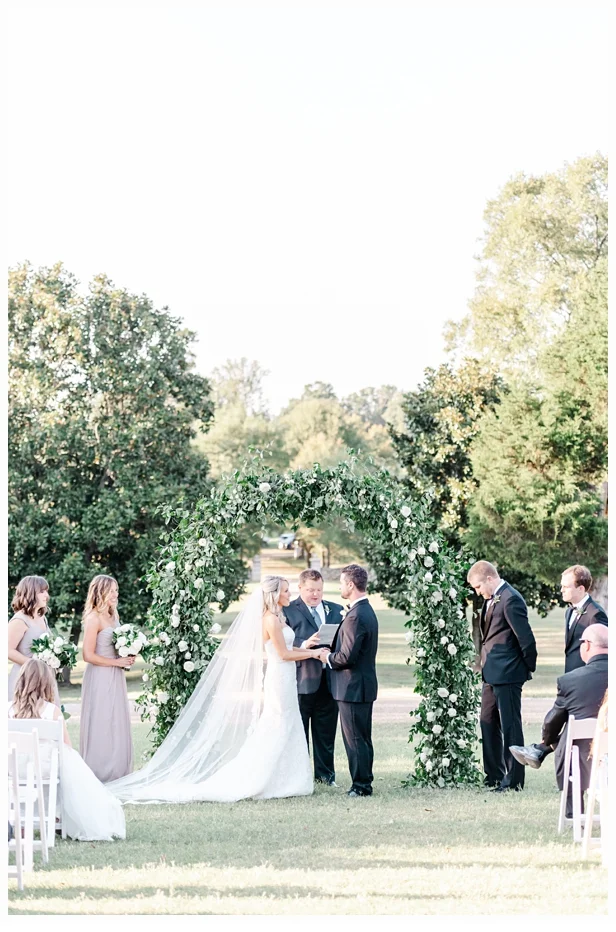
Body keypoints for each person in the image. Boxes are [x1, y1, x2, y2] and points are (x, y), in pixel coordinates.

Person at [107, 576, 328, 803]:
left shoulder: (278, 617)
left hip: (286, 676)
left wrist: (309, 649)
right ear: (274, 594)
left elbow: (288, 649)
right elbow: (282, 654)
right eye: (286, 591)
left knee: (287, 722)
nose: (289, 594)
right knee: (278, 723)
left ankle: (287, 779)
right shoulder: (270, 619)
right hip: (279, 677)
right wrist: (314, 654)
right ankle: (266, 779)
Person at [8, 659, 125, 841]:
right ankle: (56, 814)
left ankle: (21, 820)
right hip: (44, 769)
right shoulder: (52, 711)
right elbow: (66, 747)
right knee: (68, 763)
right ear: (46, 683)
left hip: (13, 769)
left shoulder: (7, 710)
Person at [510, 624, 608, 817]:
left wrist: (547, 741)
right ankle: (540, 750)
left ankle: (574, 815)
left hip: (583, 760)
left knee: (570, 734)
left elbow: (551, 723)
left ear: (587, 645)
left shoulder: (571, 681)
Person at [467, 560, 537, 792]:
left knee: (510, 726)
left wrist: (525, 668)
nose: (478, 592)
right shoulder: (492, 599)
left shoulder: (511, 599)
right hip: (491, 673)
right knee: (487, 722)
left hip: (509, 673)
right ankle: (494, 775)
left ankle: (514, 780)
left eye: (478, 587)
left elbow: (525, 638)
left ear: (489, 578)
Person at [321, 564, 379, 797]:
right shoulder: (365, 610)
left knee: (355, 738)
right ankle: (364, 780)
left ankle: (361, 786)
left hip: (352, 687)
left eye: (341, 583)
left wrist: (327, 657)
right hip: (360, 686)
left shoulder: (356, 616)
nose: (340, 587)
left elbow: (347, 657)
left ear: (351, 585)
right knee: (362, 737)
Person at [283, 568, 344, 786]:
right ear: (300, 588)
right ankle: (299, 777)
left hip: (330, 680)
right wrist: (303, 644)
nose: (315, 594)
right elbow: (280, 642)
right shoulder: (287, 610)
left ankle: (326, 777)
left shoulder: (336, 609)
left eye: (319, 589)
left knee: (326, 732)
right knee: (299, 733)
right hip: (301, 680)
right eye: (310, 590)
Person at [79, 575, 134, 783]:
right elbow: (87, 655)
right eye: (111, 591)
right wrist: (116, 662)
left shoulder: (113, 615)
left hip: (115, 675)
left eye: (116, 590)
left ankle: (118, 770)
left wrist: (127, 654)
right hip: (100, 676)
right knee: (101, 720)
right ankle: (99, 772)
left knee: (116, 721)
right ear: (100, 592)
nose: (115, 594)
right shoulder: (93, 618)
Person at [8, 575, 60, 704]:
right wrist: (35, 666)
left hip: (45, 678)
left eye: (46, 591)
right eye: (42, 591)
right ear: (30, 593)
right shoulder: (19, 620)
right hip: (26, 678)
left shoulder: (42, 617)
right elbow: (7, 650)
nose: (46, 595)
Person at [560, 565, 607, 673]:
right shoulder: (569, 611)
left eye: (566, 587)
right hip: (571, 674)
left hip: (587, 675)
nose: (562, 590)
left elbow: (602, 651)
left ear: (580, 589)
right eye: (562, 586)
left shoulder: (596, 614)